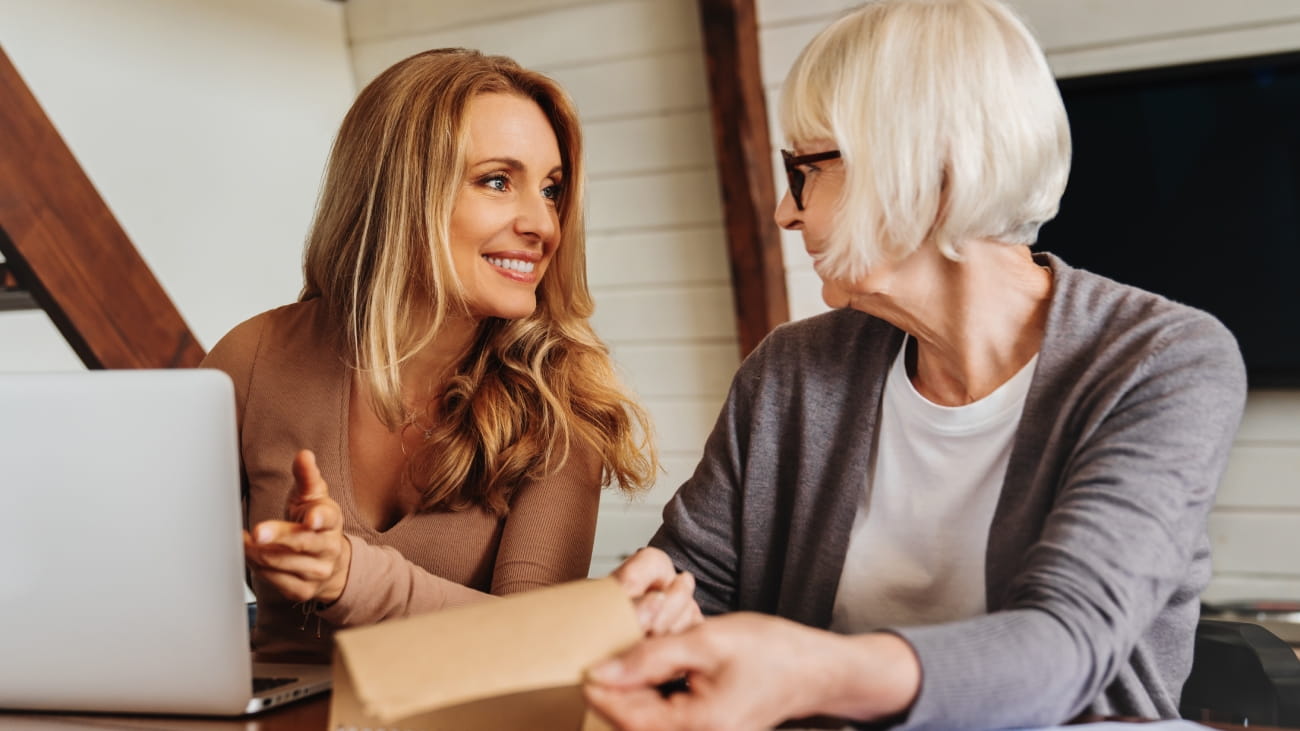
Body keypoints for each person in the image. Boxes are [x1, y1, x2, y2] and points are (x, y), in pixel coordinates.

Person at [584, 0, 1248, 728]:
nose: (785, 210)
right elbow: (694, 584)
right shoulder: (788, 373)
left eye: (806, 168)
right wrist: (651, 608)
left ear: (931, 173)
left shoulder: (1161, 360)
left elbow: (1066, 644)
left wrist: (809, 672)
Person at [201, 48, 657, 663]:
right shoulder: (254, 359)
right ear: (399, 192)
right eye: (498, 181)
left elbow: (540, 645)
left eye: (551, 190)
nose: (544, 224)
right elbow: (146, 574)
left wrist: (348, 577)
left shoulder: (563, 401)